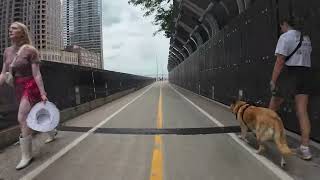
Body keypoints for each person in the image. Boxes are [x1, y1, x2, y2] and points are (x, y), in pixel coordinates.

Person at [0, 22, 56, 170]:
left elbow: (37, 74)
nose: (10, 30)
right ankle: (52, 131)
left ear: (22, 32)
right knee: (34, 114)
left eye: (14, 28)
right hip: (17, 86)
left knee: (22, 117)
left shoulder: (30, 50)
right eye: (9, 28)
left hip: (30, 86)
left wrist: (43, 93)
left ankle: (26, 156)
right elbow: (3, 72)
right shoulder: (7, 51)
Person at [269, 17, 313, 160]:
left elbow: (280, 62)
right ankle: (305, 149)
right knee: (302, 111)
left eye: (281, 26)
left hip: (290, 74)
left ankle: (265, 133)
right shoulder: (306, 38)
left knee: (273, 106)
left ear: (285, 24)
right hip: (305, 74)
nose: (281, 29)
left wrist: (273, 80)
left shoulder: (285, 37)